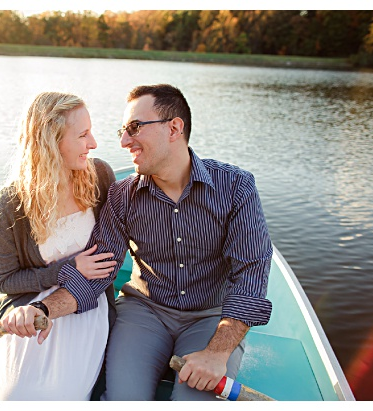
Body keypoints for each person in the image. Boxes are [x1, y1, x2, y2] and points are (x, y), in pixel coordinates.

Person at [89, 84, 275, 401]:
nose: (123, 141)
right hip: (143, 312)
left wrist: (217, 353)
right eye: (123, 130)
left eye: (134, 128)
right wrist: (45, 307)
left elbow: (251, 275)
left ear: (174, 128)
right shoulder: (123, 195)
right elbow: (99, 269)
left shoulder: (236, 187)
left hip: (211, 317)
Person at [0, 91, 118, 400]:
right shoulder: (10, 204)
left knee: (64, 393)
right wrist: (65, 270)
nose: (94, 143)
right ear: (51, 141)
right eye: (83, 135)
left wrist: (72, 280)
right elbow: (7, 282)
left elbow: (108, 261)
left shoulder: (100, 176)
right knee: (16, 395)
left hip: (85, 300)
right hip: (25, 312)